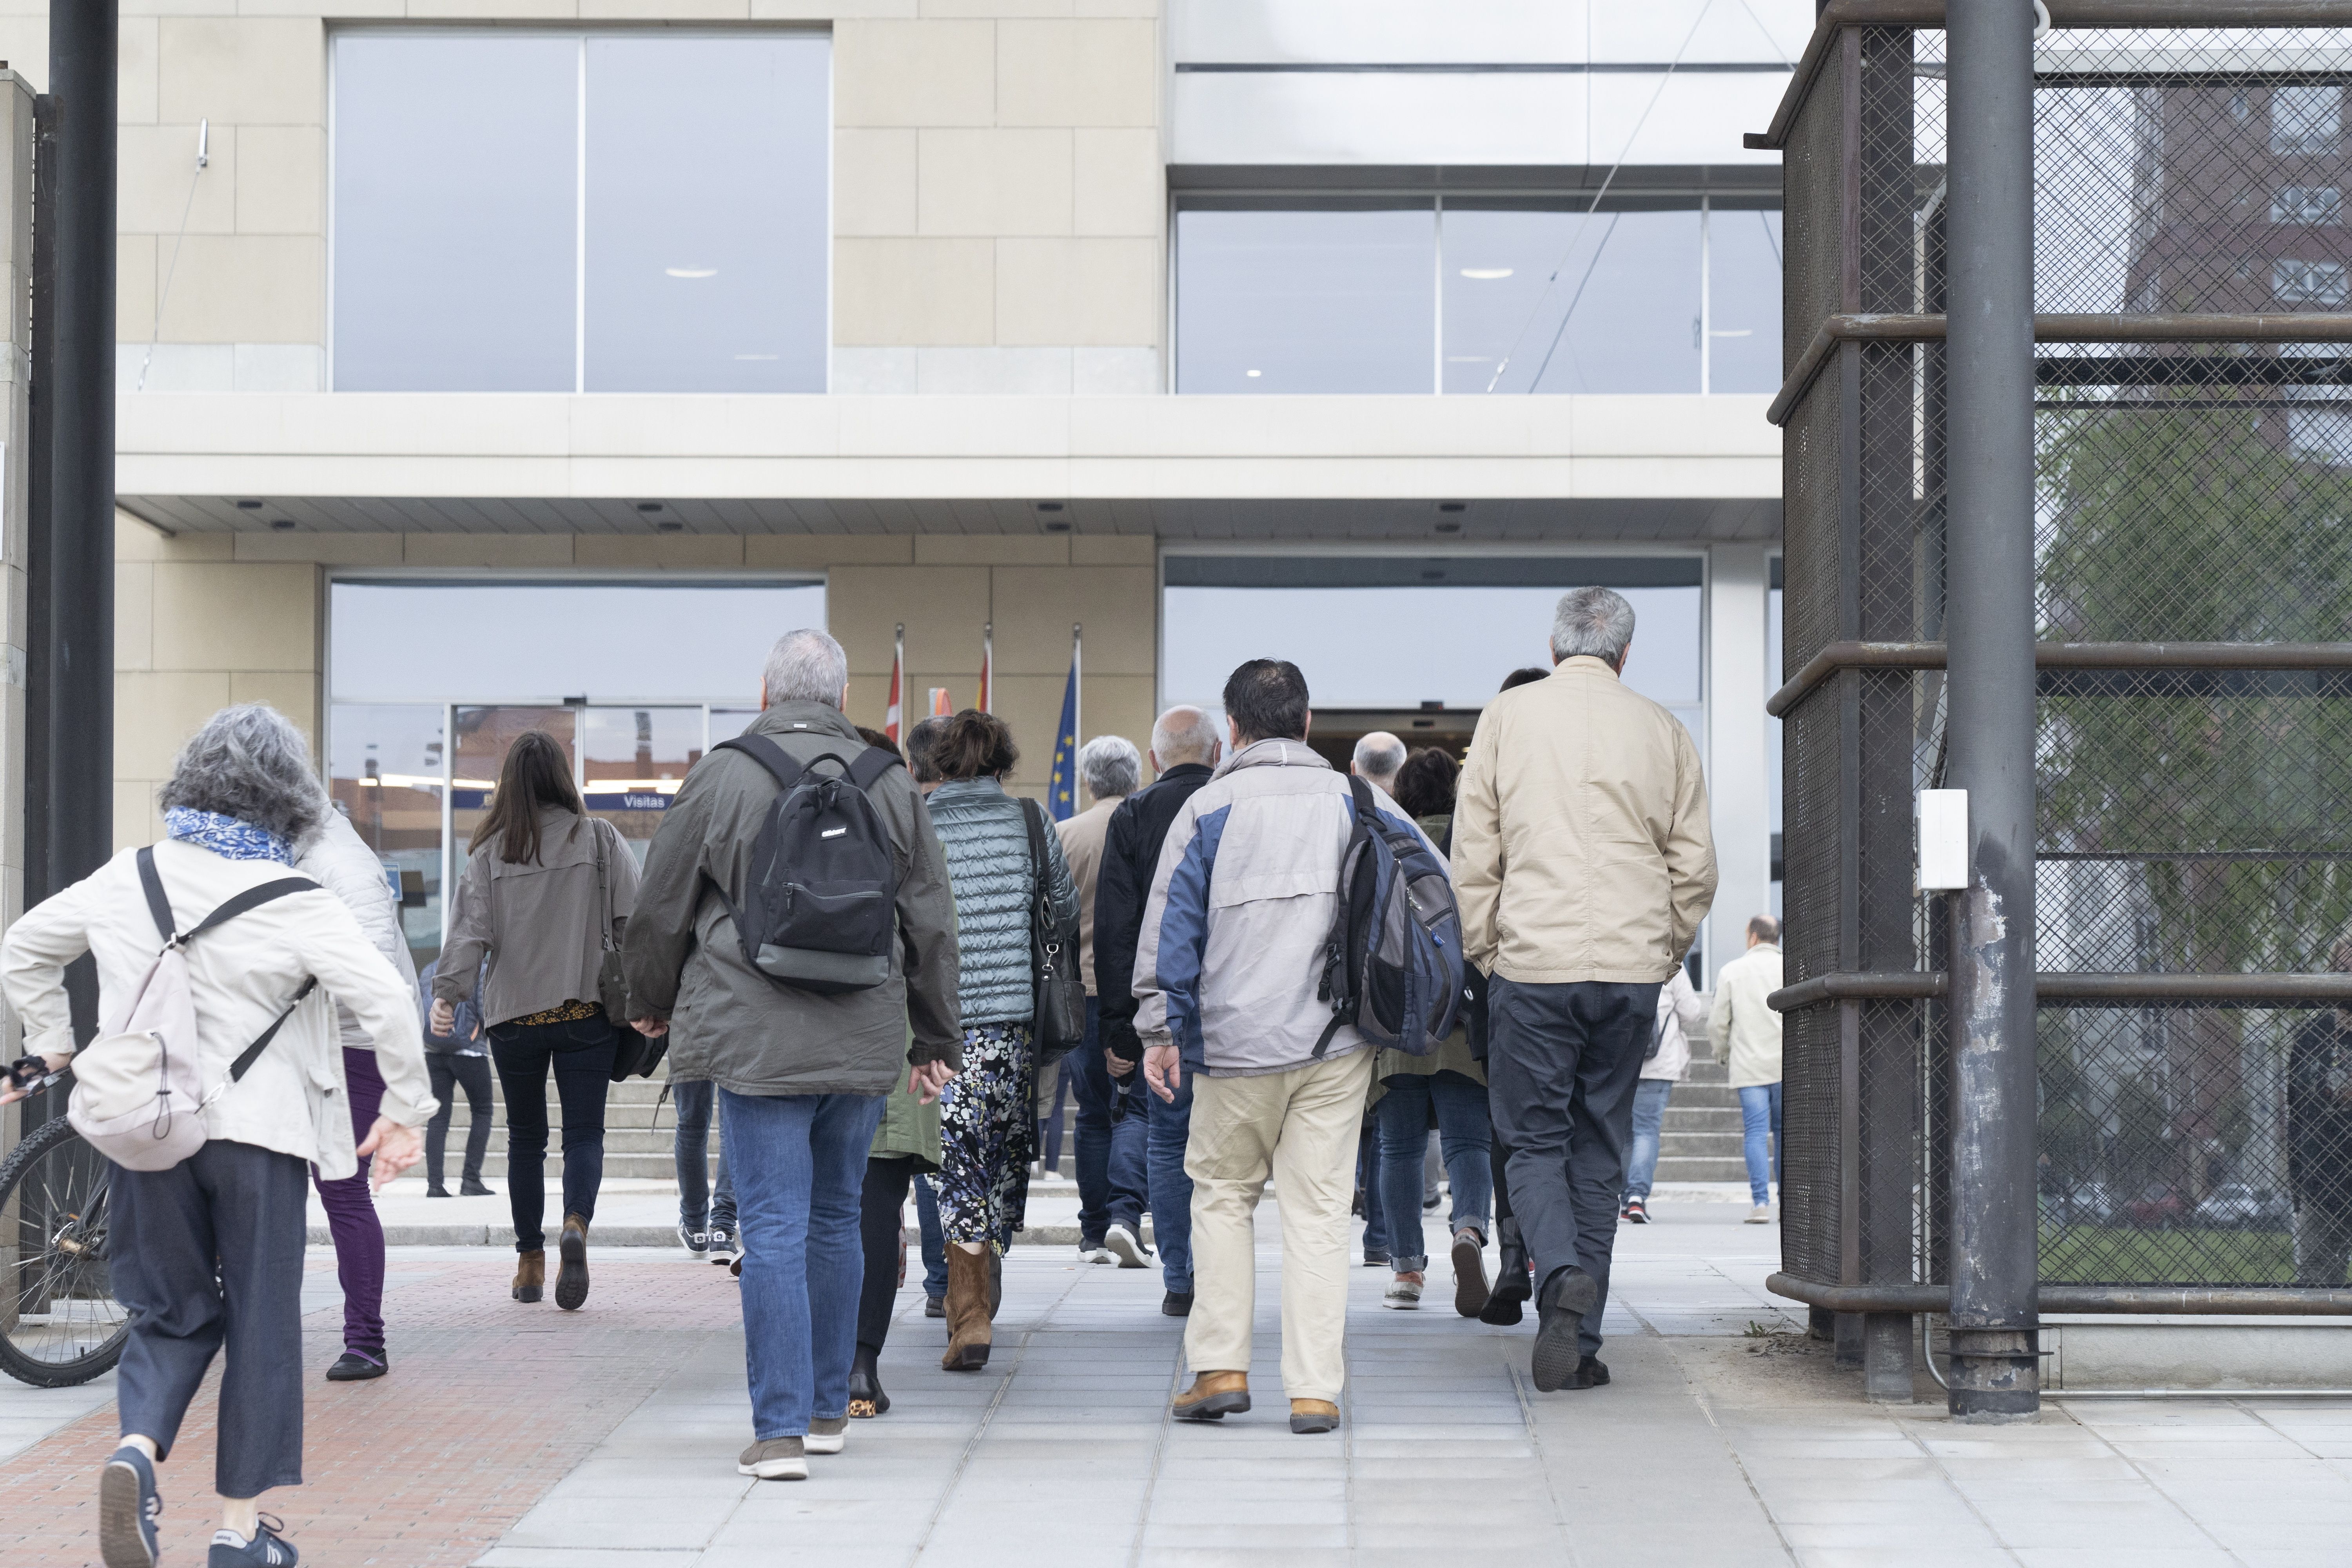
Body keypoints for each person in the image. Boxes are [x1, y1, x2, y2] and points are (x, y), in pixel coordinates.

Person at [1, 703, 432, 1568]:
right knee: (264, 1323)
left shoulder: (128, 875)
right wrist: (406, 1110)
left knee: (167, 1310)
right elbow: (386, 998)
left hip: (148, 1130)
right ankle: (238, 1530)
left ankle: (138, 1452)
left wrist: (51, 1045)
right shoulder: (297, 898)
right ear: (292, 801)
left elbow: (24, 944)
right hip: (259, 1137)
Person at [626, 630, 961, 1481]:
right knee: (838, 1215)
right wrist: (934, 1034)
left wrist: (651, 1002)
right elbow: (931, 917)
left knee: (771, 1223)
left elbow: (663, 899)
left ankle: (776, 1432)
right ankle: (825, 1412)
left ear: (767, 689)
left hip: (752, 1028)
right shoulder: (890, 781)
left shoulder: (724, 771)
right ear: (843, 697)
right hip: (863, 1029)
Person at [1136, 660, 1442, 1436]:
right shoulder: (1363, 799)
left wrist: (1157, 1028)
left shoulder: (1206, 807)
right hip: (1337, 1042)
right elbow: (1436, 894)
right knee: (1316, 1211)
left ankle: (1220, 1368)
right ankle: (1314, 1391)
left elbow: (1170, 926)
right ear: (1307, 724)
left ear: (1232, 730)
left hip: (1230, 1042)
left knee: (1223, 1195)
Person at [1453, 587, 1717, 1394]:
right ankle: (1584, 1339)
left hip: (1533, 964)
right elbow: (1696, 865)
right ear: (1625, 654)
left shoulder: (1507, 718)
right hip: (1631, 972)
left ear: (1556, 644)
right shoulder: (1666, 730)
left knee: (1532, 1140)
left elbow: (1475, 850)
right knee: (1600, 1148)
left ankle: (1558, 1269)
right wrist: (1664, 950)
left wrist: (1488, 950)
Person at [434, 729, 639, 1311]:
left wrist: (448, 996)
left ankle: (529, 1261)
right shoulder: (599, 840)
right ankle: (576, 1223)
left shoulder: (490, 853)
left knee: (525, 1139)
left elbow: (469, 934)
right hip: (584, 1011)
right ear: (561, 778)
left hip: (514, 1019)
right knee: (584, 1135)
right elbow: (634, 920)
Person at [924, 708, 1080, 1370]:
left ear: (942, 763)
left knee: (956, 1163)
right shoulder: (1029, 820)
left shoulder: (920, 821)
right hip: (1013, 1024)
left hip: (943, 1022)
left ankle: (969, 1312)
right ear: (1002, 761)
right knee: (1002, 1153)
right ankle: (979, 1299)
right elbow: (1066, 910)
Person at [1095, 704, 1224, 1316]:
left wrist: (1120, 1026)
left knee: (1169, 1142)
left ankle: (1182, 1277)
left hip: (1164, 1011)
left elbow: (1118, 929)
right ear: (1218, 751)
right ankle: (1226, 1273)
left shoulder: (1136, 815)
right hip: (1234, 1007)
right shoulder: (1232, 805)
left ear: (1153, 760)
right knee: (1232, 1148)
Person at [297, 806, 423, 1382]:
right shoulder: (290, 854)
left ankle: (366, 1341)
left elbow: (373, 972)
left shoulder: (342, 864)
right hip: (303, 1038)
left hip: (354, 1043)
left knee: (342, 1188)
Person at [847, 725, 949, 1419]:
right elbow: (932, 932)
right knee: (876, 1207)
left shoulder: (773, 807)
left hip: (789, 1035)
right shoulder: (904, 817)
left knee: (800, 1210)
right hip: (890, 1031)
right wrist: (937, 1038)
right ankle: (860, 1366)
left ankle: (802, 1362)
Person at [1375, 744, 1495, 1317]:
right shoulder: (1474, 844)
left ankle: (1405, 1270)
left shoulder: (1385, 844)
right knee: (1468, 1141)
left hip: (1401, 1014)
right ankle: (1469, 1229)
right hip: (1463, 1010)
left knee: (1399, 1149)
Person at [1474, 664, 1556, 1326]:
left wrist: (1486, 961)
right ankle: (1563, 1272)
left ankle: (1513, 1257)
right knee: (1578, 1136)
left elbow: (1470, 875)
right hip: (1601, 979)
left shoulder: (1496, 775)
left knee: (1515, 1132)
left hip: (1512, 983)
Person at [1056, 734, 1151, 1267]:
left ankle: (1093, 1231)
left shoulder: (1064, 834)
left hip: (1077, 993)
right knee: (1136, 1106)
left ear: (1088, 780)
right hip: (1136, 990)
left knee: (1091, 1112)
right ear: (1136, 776)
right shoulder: (1147, 824)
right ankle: (1125, 1216)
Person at [1710, 915, 1785, 1225]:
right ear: (1776, 938)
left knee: (1755, 1133)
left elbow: (1718, 1023)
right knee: (1784, 1135)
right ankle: (1788, 1203)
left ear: (1753, 937)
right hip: (1785, 1065)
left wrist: (1723, 1055)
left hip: (1749, 1066)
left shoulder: (1732, 971)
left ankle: (1760, 1204)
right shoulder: (1791, 970)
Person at [2288, 935, 2352, 1285]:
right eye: (2341, 971)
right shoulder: (2310, 1035)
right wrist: (2298, 1183)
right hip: (2322, 1182)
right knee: (2316, 1288)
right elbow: (2295, 1114)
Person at [1622, 961, 1705, 1224]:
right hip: (1660, 1065)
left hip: (1622, 1063)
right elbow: (1692, 1012)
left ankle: (1626, 1198)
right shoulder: (1670, 965)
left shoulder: (1621, 959)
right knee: (1647, 1130)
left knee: (1625, 1134)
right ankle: (1637, 1197)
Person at [417, 955, 495, 1199]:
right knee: (482, 1112)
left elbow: (419, 1009)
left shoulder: (430, 968)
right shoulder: (480, 970)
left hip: (433, 1051)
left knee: (438, 1119)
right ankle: (471, 1181)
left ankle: (435, 1185)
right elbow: (485, 1012)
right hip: (470, 1052)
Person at [672, 1070, 739, 1262]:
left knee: (691, 1126)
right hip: (735, 1043)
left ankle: (694, 1229)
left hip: (691, 1043)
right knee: (732, 1127)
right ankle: (723, 1232)